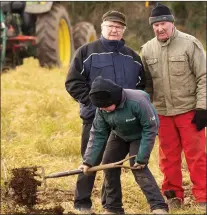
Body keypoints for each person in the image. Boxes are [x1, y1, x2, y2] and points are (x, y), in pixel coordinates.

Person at [65, 11, 145, 212]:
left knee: (112, 165)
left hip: (122, 122)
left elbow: (142, 88)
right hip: (94, 118)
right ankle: (82, 203)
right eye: (110, 26)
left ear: (123, 30)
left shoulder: (133, 58)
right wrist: (94, 104)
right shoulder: (87, 52)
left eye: (118, 27)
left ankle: (111, 205)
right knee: (89, 160)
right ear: (102, 27)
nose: (114, 30)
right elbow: (73, 82)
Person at [141, 3, 207, 210]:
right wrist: (147, 112)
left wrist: (202, 107)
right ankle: (173, 196)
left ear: (172, 23)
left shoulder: (190, 44)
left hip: (189, 111)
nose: (160, 28)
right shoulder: (147, 49)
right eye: (156, 25)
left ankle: (203, 197)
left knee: (196, 156)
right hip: (162, 113)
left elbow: (203, 77)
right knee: (167, 158)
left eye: (163, 24)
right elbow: (147, 86)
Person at [79, 76, 169, 214]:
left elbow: (150, 128)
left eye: (106, 106)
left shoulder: (137, 101)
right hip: (119, 135)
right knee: (108, 165)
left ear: (114, 98)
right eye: (101, 107)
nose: (104, 109)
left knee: (138, 167)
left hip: (140, 135)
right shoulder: (102, 109)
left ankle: (158, 206)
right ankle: (113, 208)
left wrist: (142, 157)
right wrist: (88, 161)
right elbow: (98, 134)